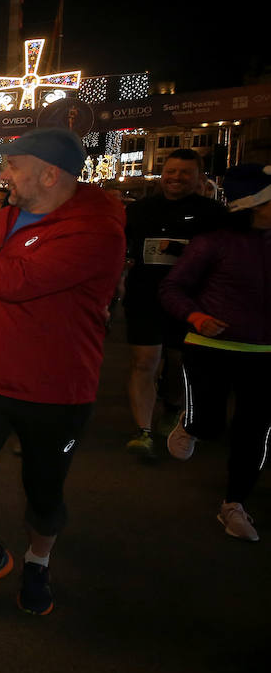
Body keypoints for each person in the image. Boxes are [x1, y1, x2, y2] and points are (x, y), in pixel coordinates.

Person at [0, 128, 124, 615]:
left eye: (13, 165)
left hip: (56, 390)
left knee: (44, 492)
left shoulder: (96, 229)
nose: (4, 174)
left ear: (49, 174)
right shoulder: (9, 216)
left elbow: (20, 280)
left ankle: (39, 560)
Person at [161, 163, 271, 542]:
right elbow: (172, 289)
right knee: (211, 425)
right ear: (252, 205)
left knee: (254, 432)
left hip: (264, 353)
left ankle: (234, 504)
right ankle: (191, 424)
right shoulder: (214, 242)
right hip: (209, 347)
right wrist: (196, 316)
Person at [121, 148, 224, 458]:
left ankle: (172, 408)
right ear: (162, 174)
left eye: (185, 173)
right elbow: (121, 248)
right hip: (145, 296)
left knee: (179, 362)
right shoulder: (138, 211)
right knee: (145, 362)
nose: (176, 178)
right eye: (172, 172)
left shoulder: (214, 214)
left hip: (191, 301)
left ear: (199, 178)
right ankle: (144, 431)